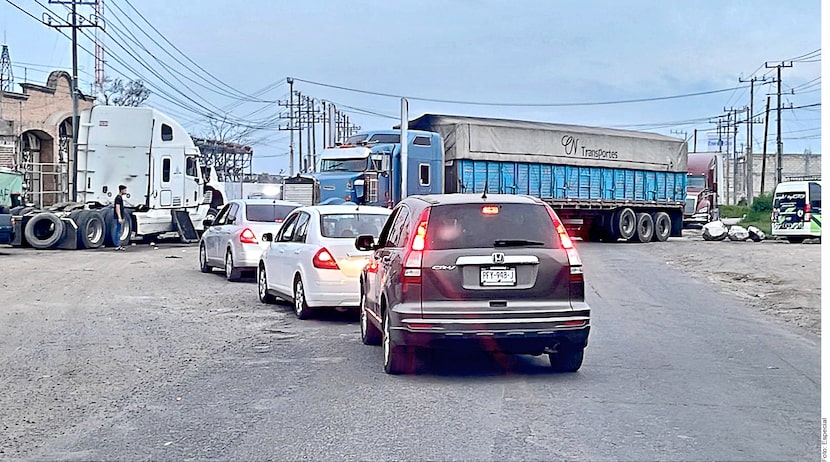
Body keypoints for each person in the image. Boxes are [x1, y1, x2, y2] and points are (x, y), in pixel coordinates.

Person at [113, 184, 127, 251]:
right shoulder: (118, 198)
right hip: (118, 217)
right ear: (121, 190)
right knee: (118, 231)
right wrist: (119, 217)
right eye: (124, 190)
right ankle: (118, 245)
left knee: (119, 230)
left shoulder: (120, 197)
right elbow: (117, 207)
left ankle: (119, 245)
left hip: (119, 216)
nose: (126, 191)